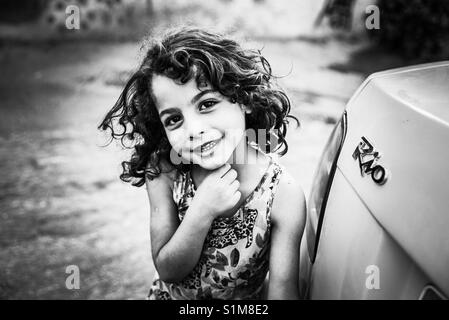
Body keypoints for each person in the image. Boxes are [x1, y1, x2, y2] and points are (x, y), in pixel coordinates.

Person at [98, 27, 306, 300]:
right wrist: (202, 210)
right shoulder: (165, 171)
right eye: (174, 119)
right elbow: (167, 269)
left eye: (206, 104)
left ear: (243, 99)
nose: (193, 129)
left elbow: (283, 291)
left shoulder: (282, 196)